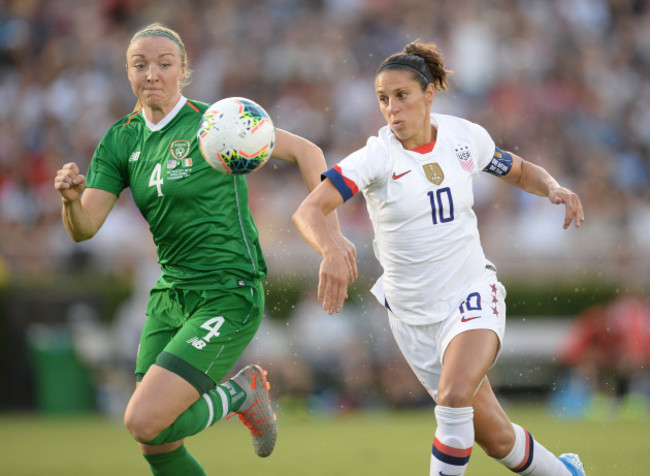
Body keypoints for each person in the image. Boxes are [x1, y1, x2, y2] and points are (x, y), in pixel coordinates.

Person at [54, 23, 355, 476]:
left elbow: (309, 152)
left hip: (227, 292)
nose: (151, 73)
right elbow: (84, 227)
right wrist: (70, 201)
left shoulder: (218, 122)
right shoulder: (121, 139)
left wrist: (331, 241)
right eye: (140, 65)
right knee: (157, 439)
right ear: (127, 73)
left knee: (143, 419)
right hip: (171, 295)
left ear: (183, 71)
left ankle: (242, 393)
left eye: (163, 64)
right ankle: (239, 396)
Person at [293, 40, 587, 476]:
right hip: (413, 320)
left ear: (428, 95)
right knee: (498, 438)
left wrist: (553, 187)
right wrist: (331, 247)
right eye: (383, 99)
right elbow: (309, 210)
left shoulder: (464, 137)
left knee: (452, 399)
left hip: (470, 292)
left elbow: (520, 170)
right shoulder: (375, 156)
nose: (391, 108)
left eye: (402, 96)